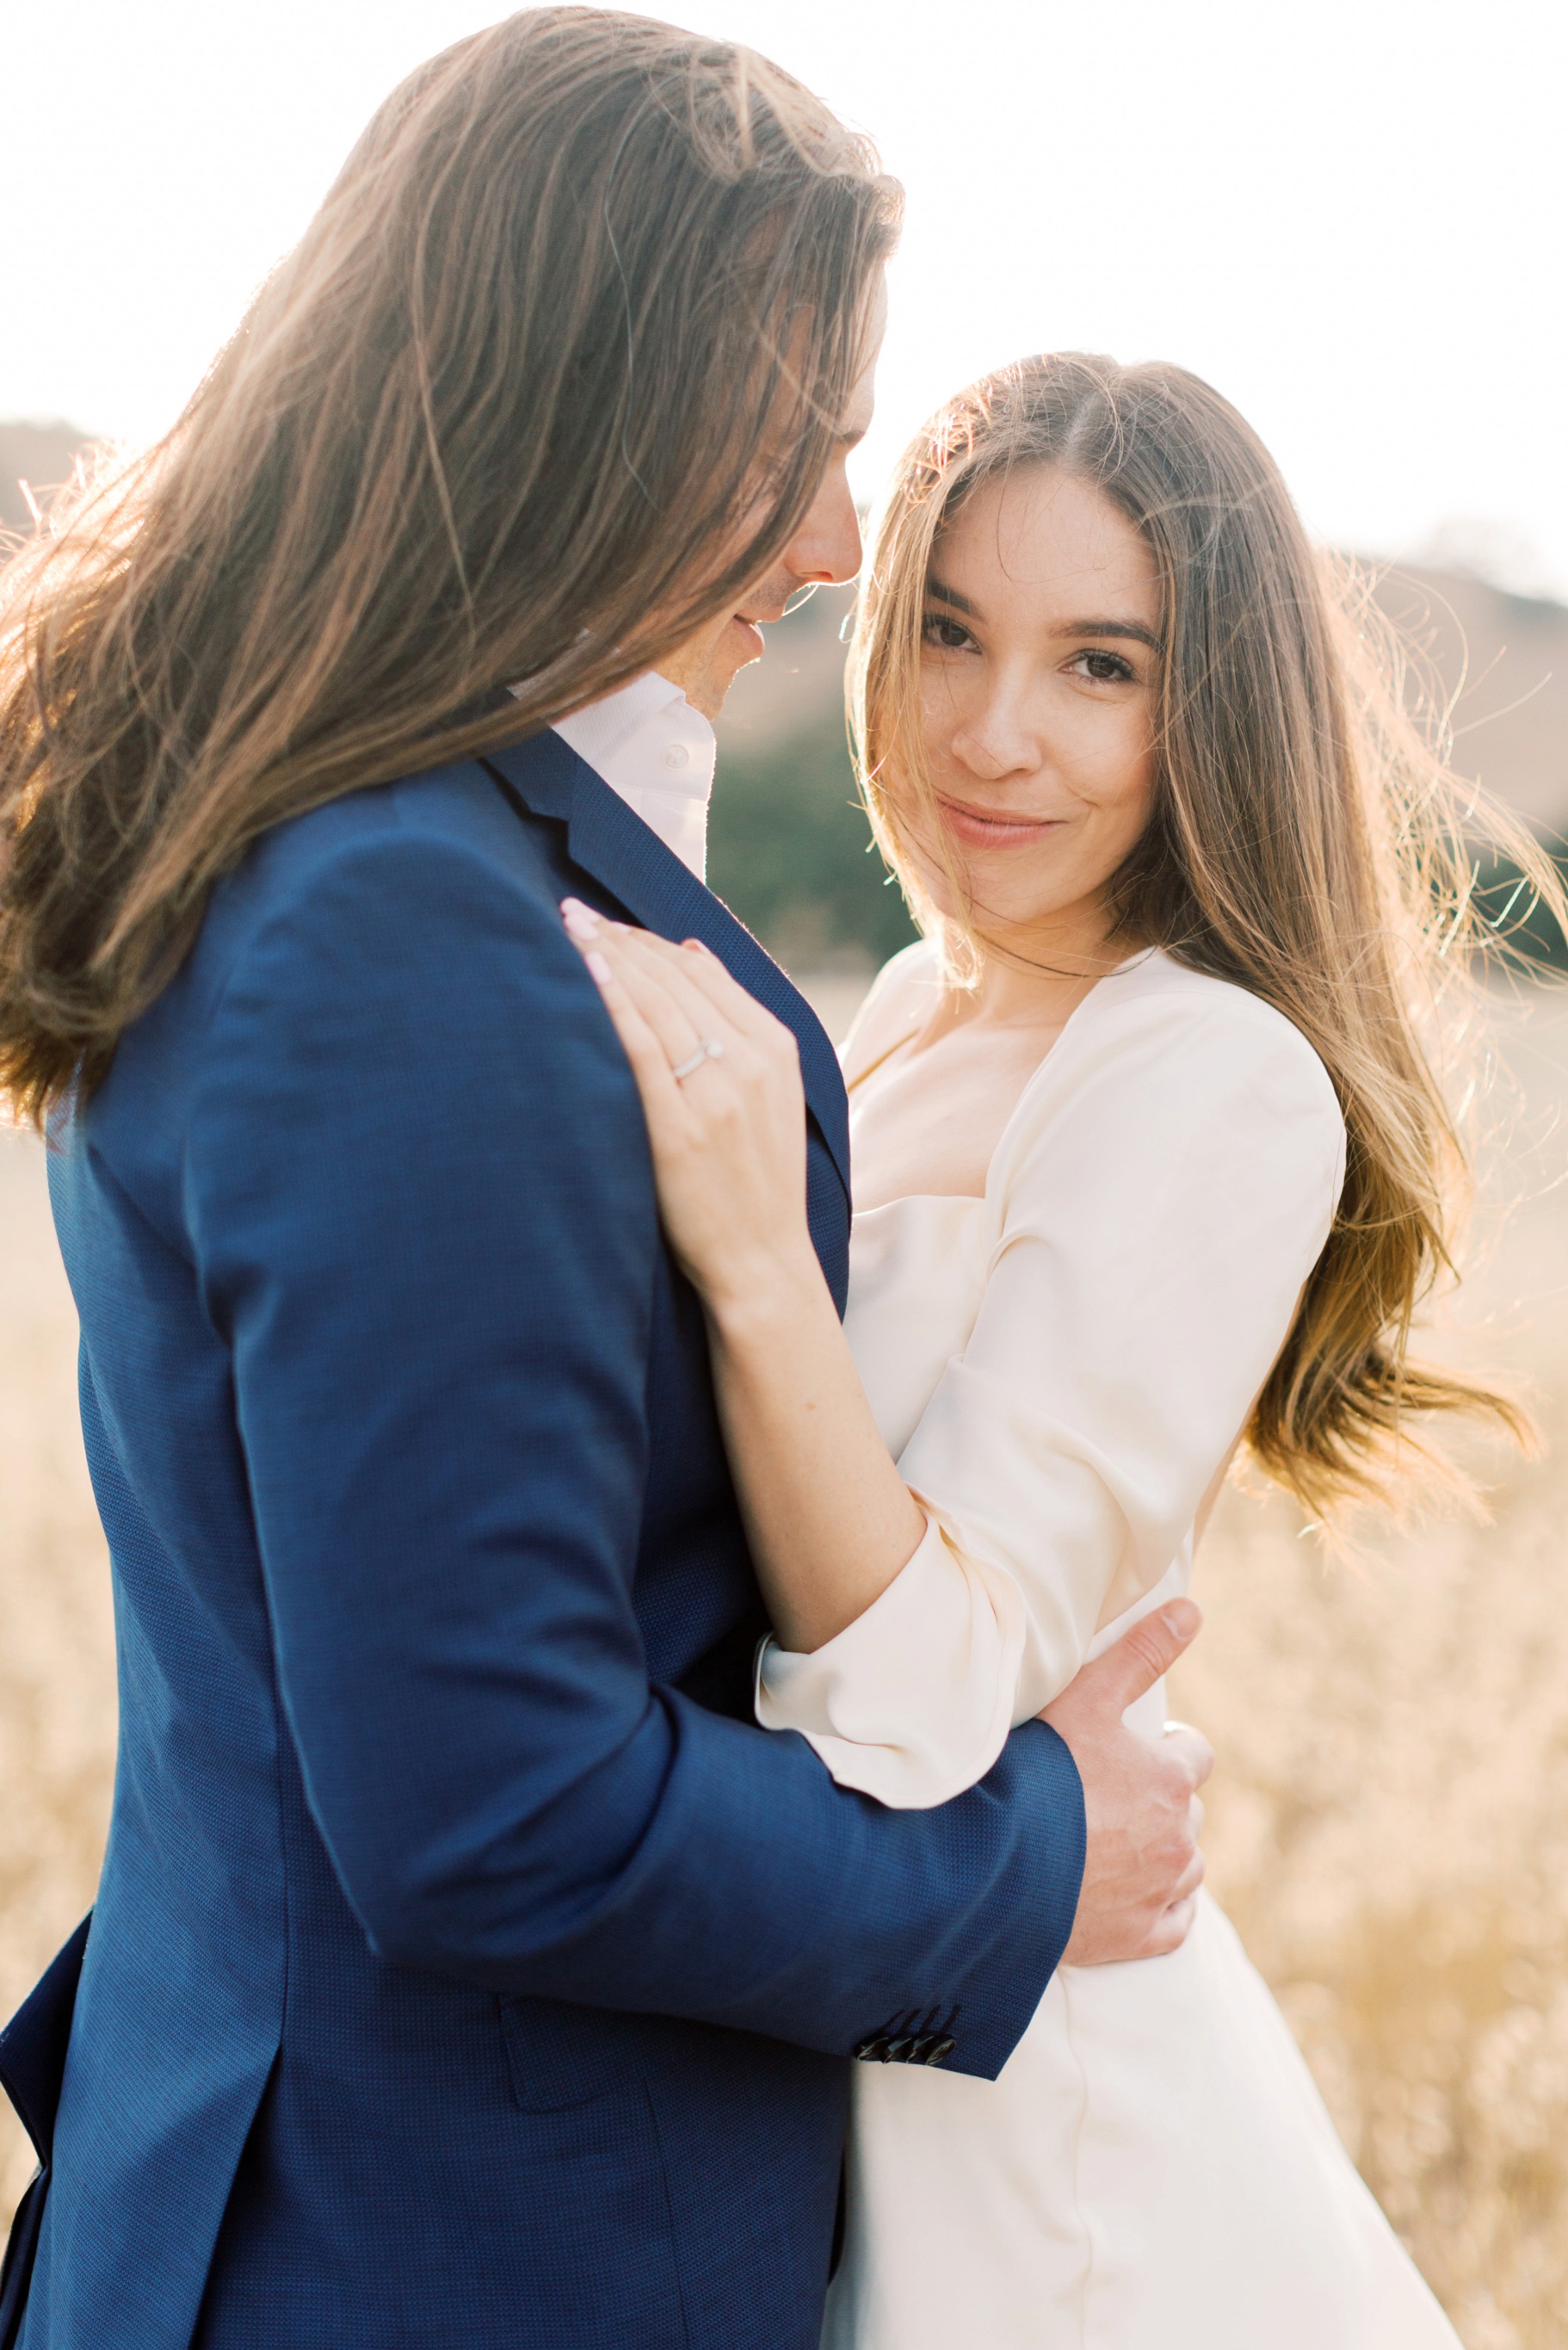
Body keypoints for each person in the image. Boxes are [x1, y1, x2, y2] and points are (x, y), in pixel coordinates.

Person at [0, 25, 1211, 2350]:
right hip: (448, 2260)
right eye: (799, 442)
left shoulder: (329, 849)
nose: (840, 545)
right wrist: (1024, 1864)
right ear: (583, 403)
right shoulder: (403, 933)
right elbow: (495, 1804)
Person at [566, 352, 1568, 2347]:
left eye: (1098, 665)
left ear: (1212, 709)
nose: (992, 731)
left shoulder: (1203, 1067)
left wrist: (753, 1256)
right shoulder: (894, 1015)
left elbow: (916, 1701)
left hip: (1047, 2164)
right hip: (834, 2054)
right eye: (947, 631)